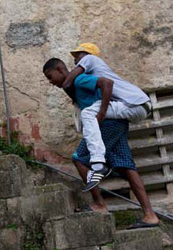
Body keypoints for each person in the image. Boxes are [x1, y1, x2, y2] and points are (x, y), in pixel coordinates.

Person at [43, 57, 160, 228]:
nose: (50, 82)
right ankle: (150, 215)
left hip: (107, 124)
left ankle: (99, 204)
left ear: (61, 69)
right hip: (116, 124)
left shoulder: (79, 80)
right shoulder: (72, 86)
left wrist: (102, 113)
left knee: (79, 158)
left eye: (50, 76)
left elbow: (106, 83)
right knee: (126, 165)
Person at [58, 43, 153, 190]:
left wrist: (101, 112)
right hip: (137, 107)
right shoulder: (94, 72)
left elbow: (67, 82)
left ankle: (97, 163)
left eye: (77, 57)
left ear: (85, 54)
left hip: (135, 103)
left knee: (88, 113)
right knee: (89, 114)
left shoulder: (89, 59)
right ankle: (102, 163)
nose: (75, 62)